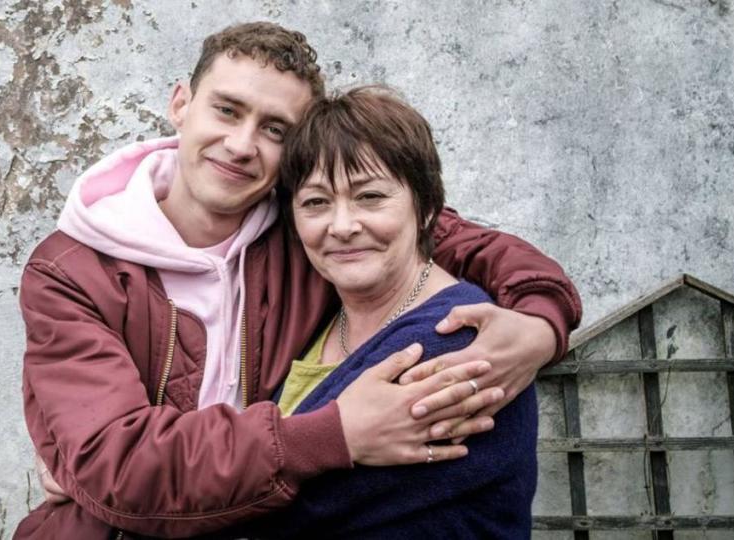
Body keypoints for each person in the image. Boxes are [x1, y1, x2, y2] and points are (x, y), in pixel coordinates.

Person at [16, 22, 581, 538]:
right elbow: (118, 466)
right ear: (181, 103)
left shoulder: (303, 227)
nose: (241, 145)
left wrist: (540, 322)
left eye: (275, 128)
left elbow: (449, 237)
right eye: (228, 110)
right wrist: (334, 435)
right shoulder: (72, 270)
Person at [227, 86, 538, 539]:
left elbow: (268, 512)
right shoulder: (319, 321)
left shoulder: (454, 338)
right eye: (315, 202)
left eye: (370, 197)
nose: (343, 225)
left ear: (428, 207)